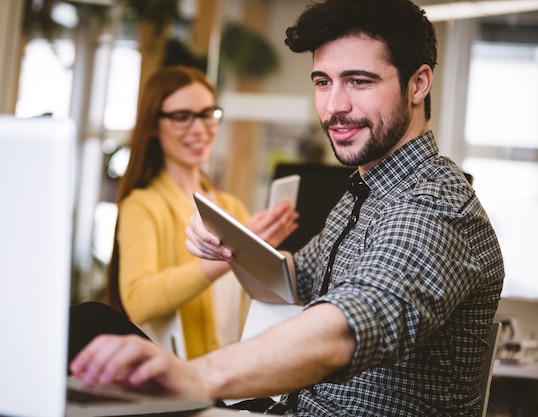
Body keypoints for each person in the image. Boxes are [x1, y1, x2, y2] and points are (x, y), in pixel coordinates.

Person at [69, 1, 505, 415]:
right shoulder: (366, 190)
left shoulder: (435, 206)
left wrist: (195, 375)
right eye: (322, 82)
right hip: (279, 409)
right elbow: (296, 278)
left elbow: (348, 326)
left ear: (418, 83)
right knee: (90, 323)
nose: (335, 106)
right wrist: (230, 245)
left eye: (359, 81)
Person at [103, 65, 298, 359]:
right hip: (179, 378)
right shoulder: (143, 204)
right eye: (182, 117)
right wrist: (234, 253)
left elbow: (257, 300)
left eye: (208, 114)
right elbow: (137, 301)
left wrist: (267, 260)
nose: (200, 129)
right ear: (154, 126)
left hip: (234, 375)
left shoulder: (231, 206)